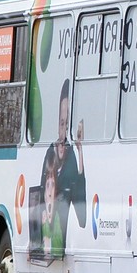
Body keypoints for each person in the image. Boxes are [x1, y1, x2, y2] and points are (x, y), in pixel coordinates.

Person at [39, 79, 86, 255]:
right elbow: (39, 200)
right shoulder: (49, 152)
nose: (64, 132)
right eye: (61, 124)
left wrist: (80, 149)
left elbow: (79, 180)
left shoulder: (73, 153)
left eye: (68, 125)